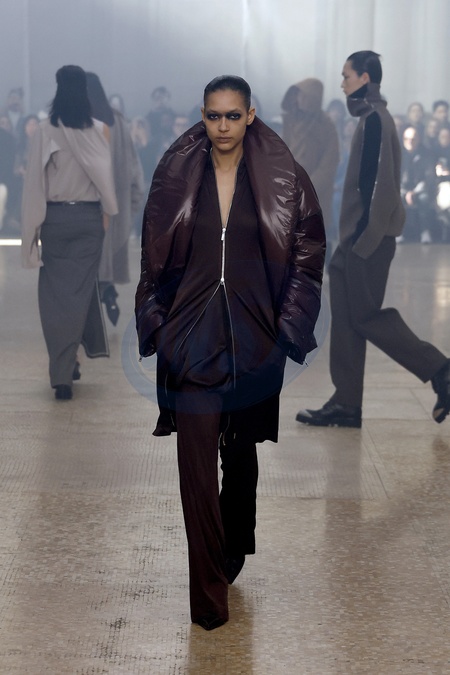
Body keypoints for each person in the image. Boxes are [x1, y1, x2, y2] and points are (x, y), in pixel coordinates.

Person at [135, 75, 325, 629]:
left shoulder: (284, 177)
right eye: (214, 116)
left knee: (239, 453)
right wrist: (158, 323)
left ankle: (235, 539)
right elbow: (153, 255)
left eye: (233, 116)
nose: (223, 126)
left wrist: (288, 328)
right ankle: (208, 600)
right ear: (202, 115)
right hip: (190, 338)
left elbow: (307, 254)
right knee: (195, 467)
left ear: (251, 116)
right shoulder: (177, 175)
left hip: (253, 337)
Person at [295, 51, 450, 429]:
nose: (342, 83)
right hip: (357, 237)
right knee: (348, 319)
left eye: (346, 75)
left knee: (364, 316)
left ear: (364, 78)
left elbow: (379, 187)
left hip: (366, 239)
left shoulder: (377, 119)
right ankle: (346, 403)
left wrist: (361, 241)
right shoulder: (370, 118)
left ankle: (441, 370)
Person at [21, 65, 118, 400]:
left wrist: (31, 229)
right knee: (79, 292)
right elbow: (106, 178)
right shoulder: (101, 130)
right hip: (89, 220)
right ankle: (72, 358)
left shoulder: (44, 131)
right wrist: (106, 215)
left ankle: (62, 370)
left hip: (56, 220)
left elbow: (34, 182)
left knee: (54, 298)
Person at [86, 72, 144, 325]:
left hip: (87, 202)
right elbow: (134, 167)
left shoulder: (78, 122)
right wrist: (133, 203)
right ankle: (108, 290)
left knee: (88, 261)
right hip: (117, 204)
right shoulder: (117, 121)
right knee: (107, 254)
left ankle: (93, 311)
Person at [281, 78, 339, 239]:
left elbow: (328, 166)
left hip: (316, 195)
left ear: (313, 99)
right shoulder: (290, 121)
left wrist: (306, 189)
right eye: (297, 95)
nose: (298, 99)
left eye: (303, 95)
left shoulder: (326, 126)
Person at [399, 125, 436, 243]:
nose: (410, 141)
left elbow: (429, 177)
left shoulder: (426, 154)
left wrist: (414, 192)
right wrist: (405, 192)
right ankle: (398, 231)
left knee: (424, 199)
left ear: (418, 139)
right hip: (401, 189)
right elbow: (393, 176)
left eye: (413, 139)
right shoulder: (398, 154)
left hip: (420, 189)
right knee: (395, 199)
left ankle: (425, 232)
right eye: (406, 139)